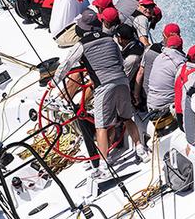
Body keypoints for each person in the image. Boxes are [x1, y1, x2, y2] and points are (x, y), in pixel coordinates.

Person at [78, 30, 150, 170]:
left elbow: (67, 63)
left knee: (101, 127)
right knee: (127, 118)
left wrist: (54, 82)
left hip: (104, 87)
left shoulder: (81, 45)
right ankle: (140, 149)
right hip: (122, 82)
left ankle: (104, 164)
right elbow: (120, 61)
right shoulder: (111, 40)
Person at [145, 30, 186, 115]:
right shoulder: (179, 63)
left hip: (150, 103)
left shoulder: (158, 57)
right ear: (181, 48)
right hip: (165, 107)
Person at [137, 32, 180, 110]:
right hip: (165, 105)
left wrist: (136, 96)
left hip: (146, 97)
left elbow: (140, 72)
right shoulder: (177, 62)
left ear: (163, 35)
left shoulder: (150, 49)